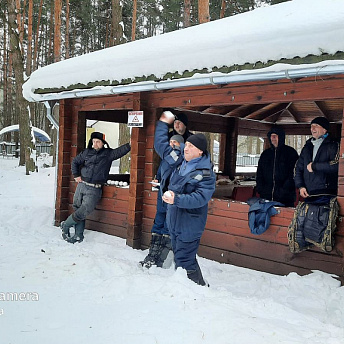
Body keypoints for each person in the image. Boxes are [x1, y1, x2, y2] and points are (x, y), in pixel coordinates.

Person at [154, 111, 216, 286]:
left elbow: (199, 198)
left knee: (183, 260)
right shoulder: (180, 161)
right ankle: (200, 287)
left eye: (190, 146)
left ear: (200, 152)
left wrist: (176, 199)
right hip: (174, 221)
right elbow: (162, 146)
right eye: (186, 145)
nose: (185, 148)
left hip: (190, 224)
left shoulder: (206, 174)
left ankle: (194, 291)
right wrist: (163, 124)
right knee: (184, 257)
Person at [60, 131, 131, 243]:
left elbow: (120, 151)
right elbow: (75, 162)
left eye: (98, 142)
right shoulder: (87, 152)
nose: (95, 144)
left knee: (84, 210)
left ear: (103, 143)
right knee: (77, 208)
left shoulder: (108, 154)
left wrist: (130, 144)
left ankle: (66, 224)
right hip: (82, 185)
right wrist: (76, 175)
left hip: (94, 188)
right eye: (94, 141)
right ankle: (79, 235)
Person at [140, 134, 185, 268]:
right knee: (158, 225)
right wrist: (157, 180)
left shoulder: (183, 159)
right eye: (170, 142)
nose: (171, 144)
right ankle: (151, 256)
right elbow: (160, 175)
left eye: (175, 142)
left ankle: (161, 259)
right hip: (162, 196)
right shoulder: (165, 158)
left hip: (173, 198)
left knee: (167, 226)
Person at [294, 116, 339, 202]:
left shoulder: (333, 144)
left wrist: (315, 166)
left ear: (324, 129)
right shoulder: (307, 146)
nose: (312, 128)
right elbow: (298, 168)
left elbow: (337, 165)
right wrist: (301, 186)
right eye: (311, 126)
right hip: (308, 193)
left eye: (316, 125)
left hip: (326, 194)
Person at [256, 127, 299, 207]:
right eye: (271, 136)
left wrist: (284, 190)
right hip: (266, 197)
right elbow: (259, 173)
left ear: (281, 137)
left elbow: (294, 174)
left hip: (286, 199)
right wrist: (261, 189)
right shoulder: (265, 154)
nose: (273, 138)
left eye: (275, 136)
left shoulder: (290, 153)